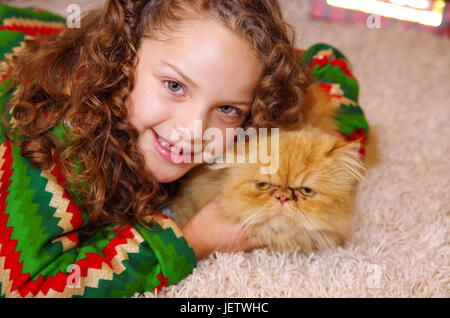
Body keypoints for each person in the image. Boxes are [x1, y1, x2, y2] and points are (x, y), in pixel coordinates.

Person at [0, 0, 311, 297]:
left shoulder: (230, 68)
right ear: (120, 56)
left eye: (228, 108)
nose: (194, 131)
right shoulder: (44, 141)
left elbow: (328, 64)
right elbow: (25, 287)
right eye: (175, 86)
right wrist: (191, 241)